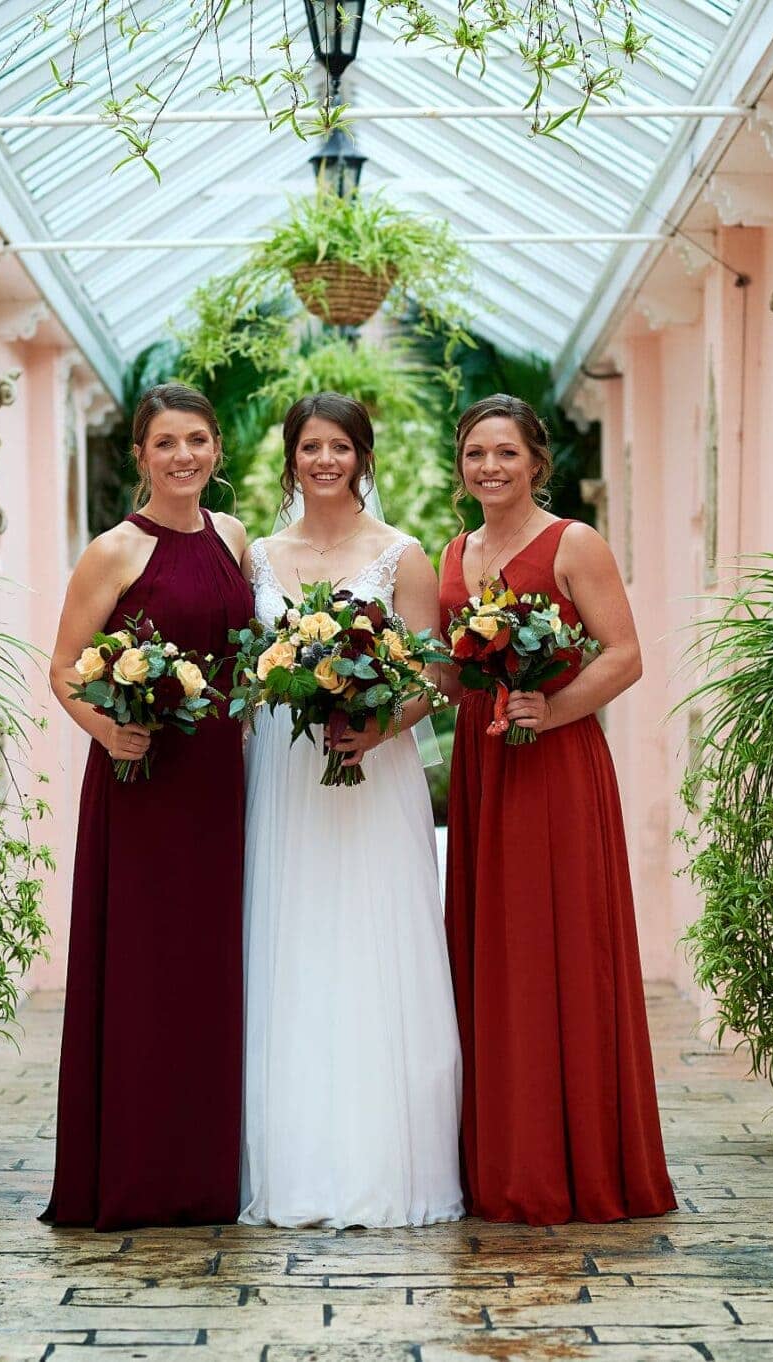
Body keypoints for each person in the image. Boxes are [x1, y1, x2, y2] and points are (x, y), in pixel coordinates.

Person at [438, 393, 676, 1225]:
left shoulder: (574, 542)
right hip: (481, 765)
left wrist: (556, 707)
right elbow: (449, 673)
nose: (490, 468)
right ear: (460, 465)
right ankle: (498, 1158)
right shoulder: (453, 548)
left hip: (555, 764)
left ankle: (571, 1162)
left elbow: (627, 653)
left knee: (560, 946)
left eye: (505, 453)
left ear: (537, 460)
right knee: (491, 952)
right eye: (475, 454)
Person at [238, 393, 463, 1229]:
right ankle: (294, 1168)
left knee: (375, 946)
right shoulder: (259, 556)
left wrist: (373, 726)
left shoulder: (402, 553)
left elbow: (433, 678)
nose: (324, 460)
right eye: (309, 447)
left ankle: (384, 1166)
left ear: (364, 456)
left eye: (339, 446)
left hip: (374, 771)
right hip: (287, 774)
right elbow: (246, 668)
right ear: (290, 457)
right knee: (291, 946)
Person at [42, 383, 254, 1229]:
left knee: (208, 973)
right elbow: (64, 667)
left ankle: (203, 1177)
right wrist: (106, 731)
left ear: (217, 450)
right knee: (142, 972)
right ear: (139, 456)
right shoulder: (113, 551)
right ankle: (133, 1174)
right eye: (165, 443)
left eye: (197, 440)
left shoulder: (234, 537)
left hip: (218, 784)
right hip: (141, 784)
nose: (183, 457)